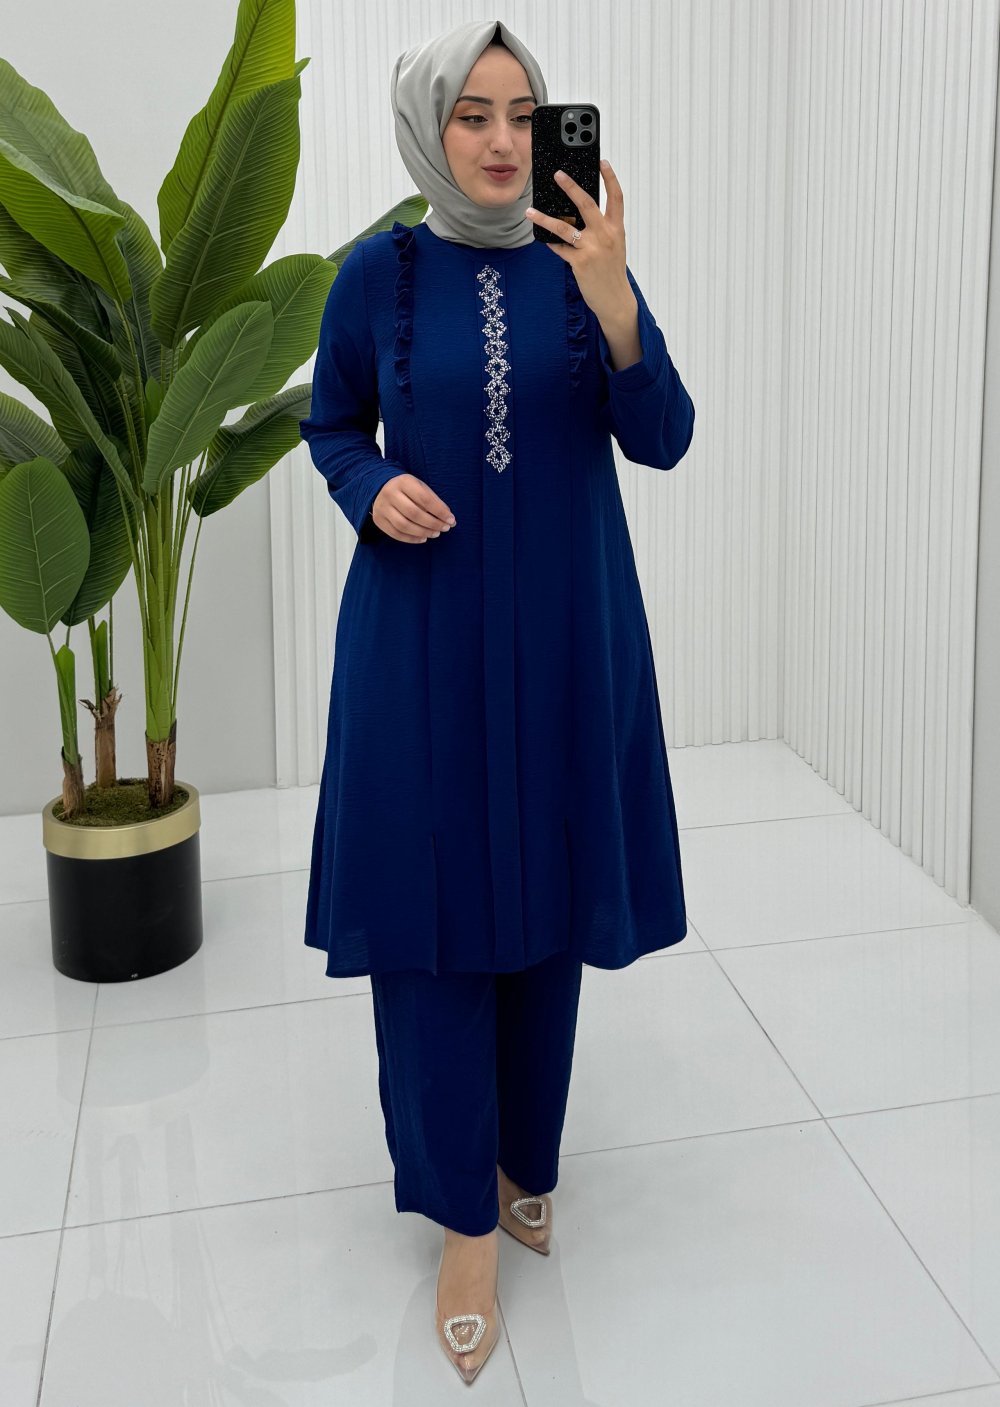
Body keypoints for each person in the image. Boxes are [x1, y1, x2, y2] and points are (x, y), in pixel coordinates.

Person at [298, 17, 696, 1385]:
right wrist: (369, 488)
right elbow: (330, 426)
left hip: (569, 634)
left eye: (523, 114)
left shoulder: (584, 262)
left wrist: (618, 299)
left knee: (544, 900)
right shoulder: (377, 275)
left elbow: (664, 437)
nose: (503, 141)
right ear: (430, 126)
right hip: (420, 641)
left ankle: (530, 1158)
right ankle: (463, 1219)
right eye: (472, 113)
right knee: (435, 922)